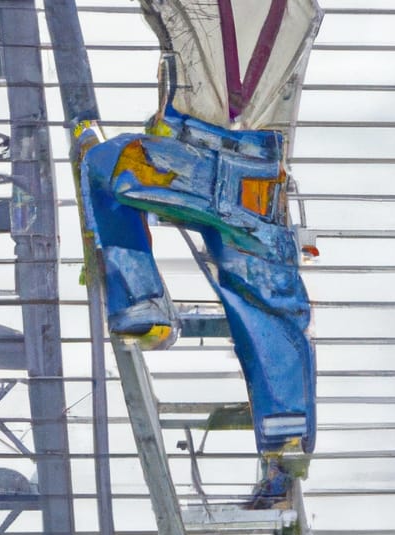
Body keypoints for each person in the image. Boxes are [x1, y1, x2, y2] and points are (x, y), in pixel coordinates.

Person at [75, 0, 323, 503]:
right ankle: (283, 456)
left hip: (189, 163)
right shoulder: (299, 10)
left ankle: (142, 303)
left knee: (102, 164)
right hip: (258, 175)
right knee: (268, 307)